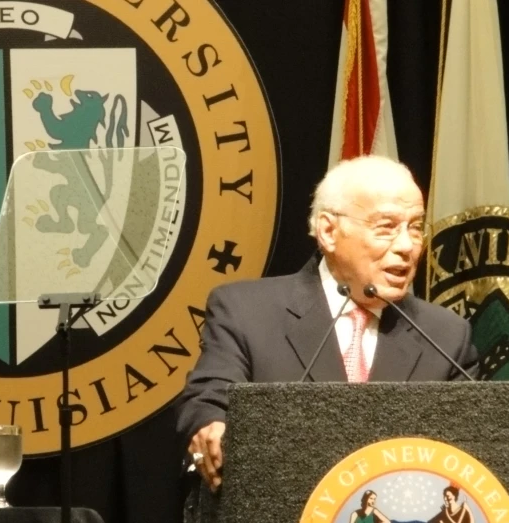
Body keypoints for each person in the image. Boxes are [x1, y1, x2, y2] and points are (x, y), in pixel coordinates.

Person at [174, 155, 479, 490]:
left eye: (416, 227)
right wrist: (213, 426)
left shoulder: (446, 337)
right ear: (329, 231)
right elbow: (210, 398)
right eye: (387, 228)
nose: (407, 246)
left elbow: (472, 447)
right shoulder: (246, 312)